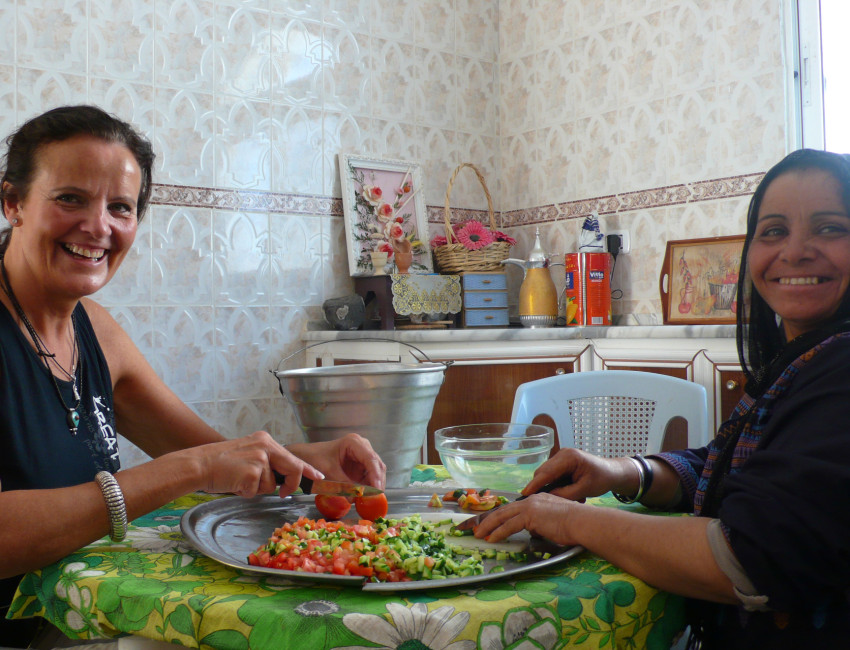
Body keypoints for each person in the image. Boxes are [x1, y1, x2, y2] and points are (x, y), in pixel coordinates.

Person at [0, 105, 386, 646]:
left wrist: (302, 463)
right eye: (70, 199)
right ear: (12, 202)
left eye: (120, 207)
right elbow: (195, 463)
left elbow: (215, 456)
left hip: (73, 622)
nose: (98, 227)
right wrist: (189, 468)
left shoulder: (97, 332)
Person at [474, 148, 850, 648]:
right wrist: (627, 473)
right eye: (774, 231)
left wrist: (573, 520)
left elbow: (749, 559)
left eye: (829, 228)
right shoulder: (802, 358)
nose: (796, 250)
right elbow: (737, 474)